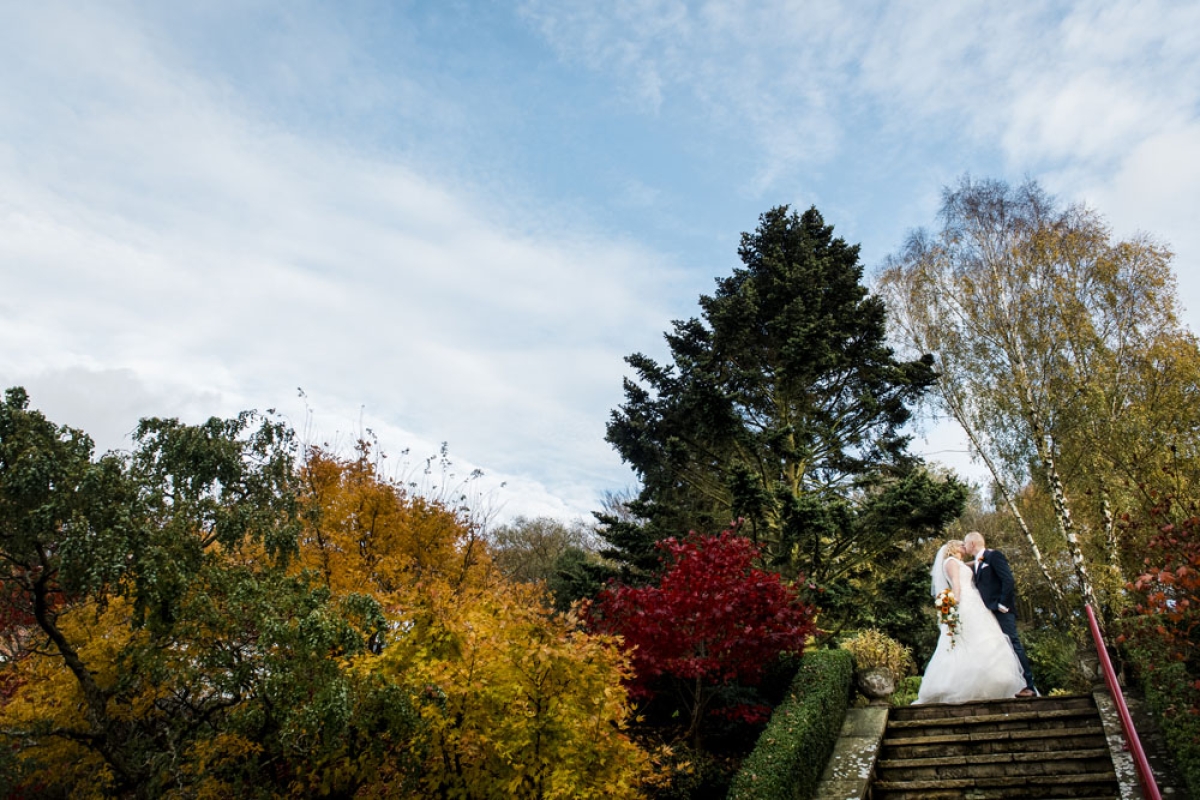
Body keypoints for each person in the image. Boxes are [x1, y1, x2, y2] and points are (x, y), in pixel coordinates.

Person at [914, 539, 1026, 704]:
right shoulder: (951, 562)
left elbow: (973, 563)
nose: (963, 546)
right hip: (965, 601)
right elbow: (956, 583)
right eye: (961, 544)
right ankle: (957, 685)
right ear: (953, 548)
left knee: (983, 639)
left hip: (975, 601)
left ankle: (991, 682)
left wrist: (984, 556)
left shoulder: (958, 562)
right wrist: (957, 600)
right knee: (966, 640)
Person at [964, 531, 1037, 697]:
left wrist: (1003, 604)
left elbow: (1008, 579)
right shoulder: (978, 561)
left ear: (973, 544)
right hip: (987, 612)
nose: (964, 546)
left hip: (1002, 609)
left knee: (1013, 643)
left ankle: (1029, 686)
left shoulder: (994, 556)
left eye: (965, 543)